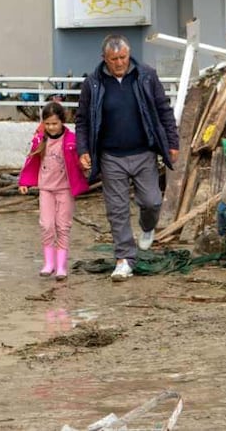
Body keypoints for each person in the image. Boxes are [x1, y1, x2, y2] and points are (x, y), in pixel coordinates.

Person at [76, 34, 180, 281]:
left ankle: (147, 226)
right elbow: (82, 121)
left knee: (152, 201)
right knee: (117, 210)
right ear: (105, 59)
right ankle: (124, 259)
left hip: (144, 152)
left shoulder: (146, 76)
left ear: (129, 54)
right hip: (111, 156)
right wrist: (83, 150)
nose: (120, 63)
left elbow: (163, 110)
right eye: (114, 59)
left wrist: (172, 142)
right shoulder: (93, 84)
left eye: (123, 57)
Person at [18, 101, 91, 280]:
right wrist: (25, 181)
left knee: (63, 226)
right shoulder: (39, 140)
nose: (51, 127)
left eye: (54, 123)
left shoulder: (72, 140)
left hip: (65, 189)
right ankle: (49, 263)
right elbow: (31, 161)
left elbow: (81, 161)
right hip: (46, 189)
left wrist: (85, 166)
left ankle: (61, 266)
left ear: (62, 122)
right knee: (46, 225)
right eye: (47, 123)